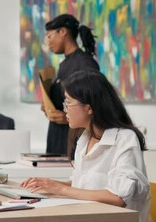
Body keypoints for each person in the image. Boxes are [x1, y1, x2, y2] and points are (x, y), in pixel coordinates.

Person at [22, 70, 150, 222]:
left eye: (68, 102)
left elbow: (118, 197)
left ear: (88, 108)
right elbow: (81, 183)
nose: (64, 109)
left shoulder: (125, 138)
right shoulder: (85, 138)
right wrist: (49, 184)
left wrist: (61, 189)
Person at [43, 14, 100, 156]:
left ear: (63, 32)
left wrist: (66, 117)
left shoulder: (85, 64)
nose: (48, 42)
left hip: (74, 140)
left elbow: (95, 104)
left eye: (49, 36)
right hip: (58, 137)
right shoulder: (64, 65)